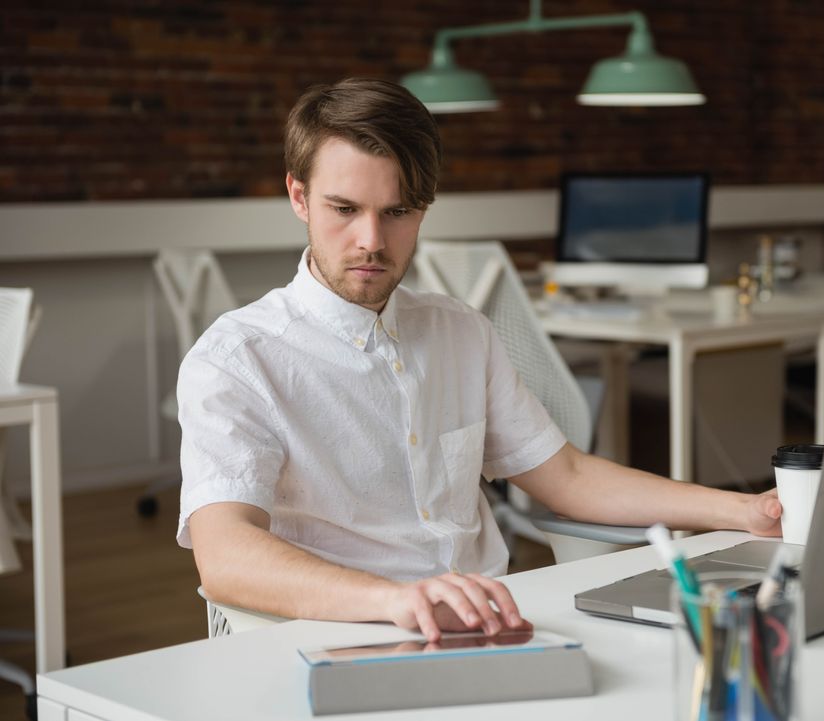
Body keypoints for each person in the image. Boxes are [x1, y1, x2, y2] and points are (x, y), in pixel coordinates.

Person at [178, 77, 782, 642]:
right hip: (342, 634)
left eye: (397, 212)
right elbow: (226, 552)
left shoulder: (460, 331)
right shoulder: (238, 359)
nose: (371, 240)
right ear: (299, 197)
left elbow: (565, 478)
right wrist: (394, 601)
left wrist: (742, 511)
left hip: (493, 623)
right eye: (344, 209)